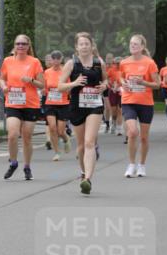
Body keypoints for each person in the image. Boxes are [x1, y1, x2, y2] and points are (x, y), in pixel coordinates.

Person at [58, 32, 107, 195]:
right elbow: (60, 86)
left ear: (92, 46)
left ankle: (88, 179)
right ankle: (83, 172)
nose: (84, 46)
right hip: (76, 107)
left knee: (89, 142)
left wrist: (104, 86)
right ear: (76, 47)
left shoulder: (99, 63)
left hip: (95, 106)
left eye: (87, 44)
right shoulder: (71, 64)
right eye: (81, 44)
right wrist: (74, 83)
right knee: (80, 147)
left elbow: (105, 80)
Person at [0, 35, 44, 181]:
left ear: (28, 46)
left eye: (24, 44)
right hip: (13, 102)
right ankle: (13, 162)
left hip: (30, 104)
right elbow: (1, 78)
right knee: (12, 134)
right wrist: (4, 86)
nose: (20, 46)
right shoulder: (8, 61)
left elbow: (42, 85)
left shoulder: (34, 62)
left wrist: (30, 80)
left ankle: (27, 166)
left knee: (27, 137)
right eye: (18, 43)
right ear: (14, 45)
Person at [119, 34, 160, 177]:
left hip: (145, 103)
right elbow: (121, 76)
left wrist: (143, 83)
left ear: (142, 47)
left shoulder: (150, 63)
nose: (132, 46)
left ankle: (141, 165)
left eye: (136, 44)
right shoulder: (124, 62)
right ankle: (131, 164)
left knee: (143, 137)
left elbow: (157, 85)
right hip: (128, 101)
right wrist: (122, 82)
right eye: (131, 43)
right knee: (132, 132)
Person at [43, 51, 71, 160]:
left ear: (61, 59)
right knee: (52, 128)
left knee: (60, 131)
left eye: (58, 58)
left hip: (63, 103)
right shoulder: (47, 72)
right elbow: (45, 87)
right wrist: (44, 91)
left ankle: (65, 138)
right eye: (53, 58)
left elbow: (69, 86)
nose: (55, 60)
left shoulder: (65, 71)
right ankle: (57, 152)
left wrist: (65, 89)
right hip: (50, 103)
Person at [106, 55, 123, 136]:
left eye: (119, 63)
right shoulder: (111, 70)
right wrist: (111, 86)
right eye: (116, 63)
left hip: (122, 92)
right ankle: (113, 122)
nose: (118, 65)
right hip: (112, 91)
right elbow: (106, 80)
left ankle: (119, 129)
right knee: (114, 111)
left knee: (120, 110)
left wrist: (121, 86)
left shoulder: (124, 70)